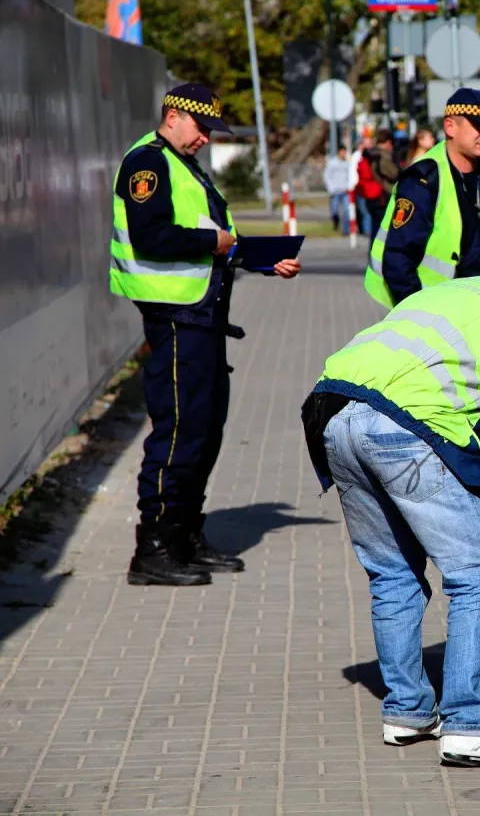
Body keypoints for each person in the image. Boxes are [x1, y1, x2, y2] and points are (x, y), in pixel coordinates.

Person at [300, 252, 480, 768]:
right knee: (479, 575)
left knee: (393, 575)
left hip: (333, 414)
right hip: (402, 429)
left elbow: (477, 415)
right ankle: (471, 726)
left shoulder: (458, 294)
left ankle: (408, 712)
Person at [110, 82, 301, 587]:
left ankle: (185, 535)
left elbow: (216, 241)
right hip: (175, 318)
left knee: (204, 431)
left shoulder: (186, 166)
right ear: (172, 115)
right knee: (177, 434)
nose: (205, 140)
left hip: (202, 317)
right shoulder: (147, 164)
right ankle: (153, 548)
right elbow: (153, 236)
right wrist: (213, 242)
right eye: (200, 128)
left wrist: (261, 259)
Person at [364, 88, 480, 309]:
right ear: (450, 126)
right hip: (436, 311)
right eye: (478, 126)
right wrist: (419, 314)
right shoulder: (424, 179)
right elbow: (398, 259)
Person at [324, 147, 352, 232]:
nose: (344, 154)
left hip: (344, 191)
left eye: (345, 152)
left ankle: (346, 230)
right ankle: (336, 222)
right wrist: (331, 188)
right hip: (335, 191)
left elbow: (350, 176)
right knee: (335, 210)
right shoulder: (332, 163)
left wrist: (348, 186)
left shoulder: (347, 163)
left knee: (347, 210)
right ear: (339, 152)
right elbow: (327, 176)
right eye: (342, 152)